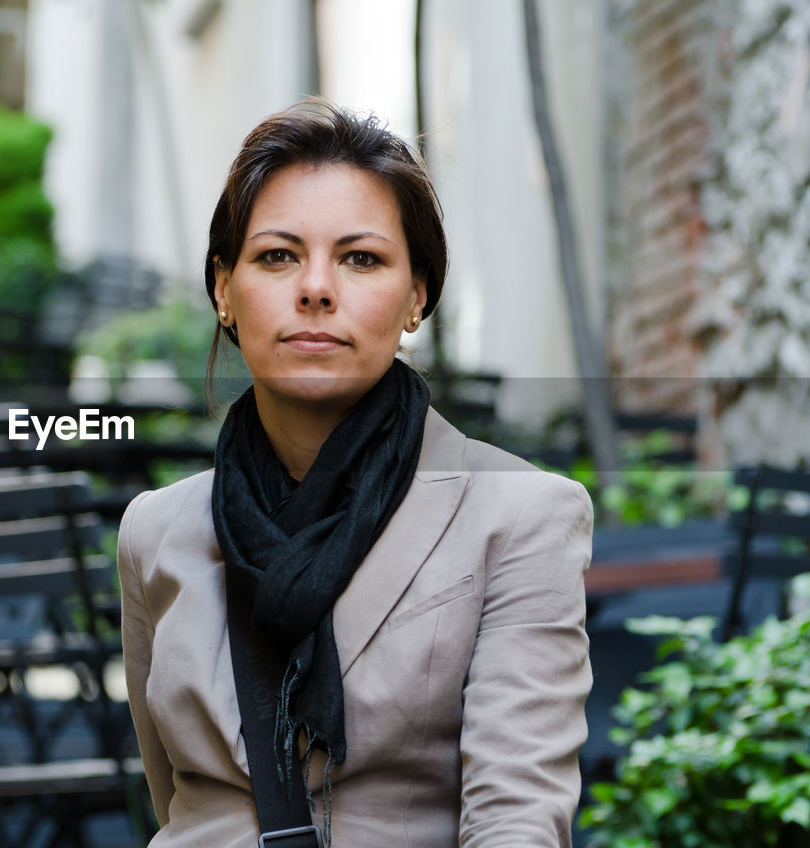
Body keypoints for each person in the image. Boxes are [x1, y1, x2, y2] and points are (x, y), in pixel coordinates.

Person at [117, 99, 593, 847]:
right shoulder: (156, 530)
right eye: (276, 256)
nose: (315, 288)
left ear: (416, 297)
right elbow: (175, 800)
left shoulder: (520, 515)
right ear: (223, 291)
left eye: (361, 258)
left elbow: (516, 817)